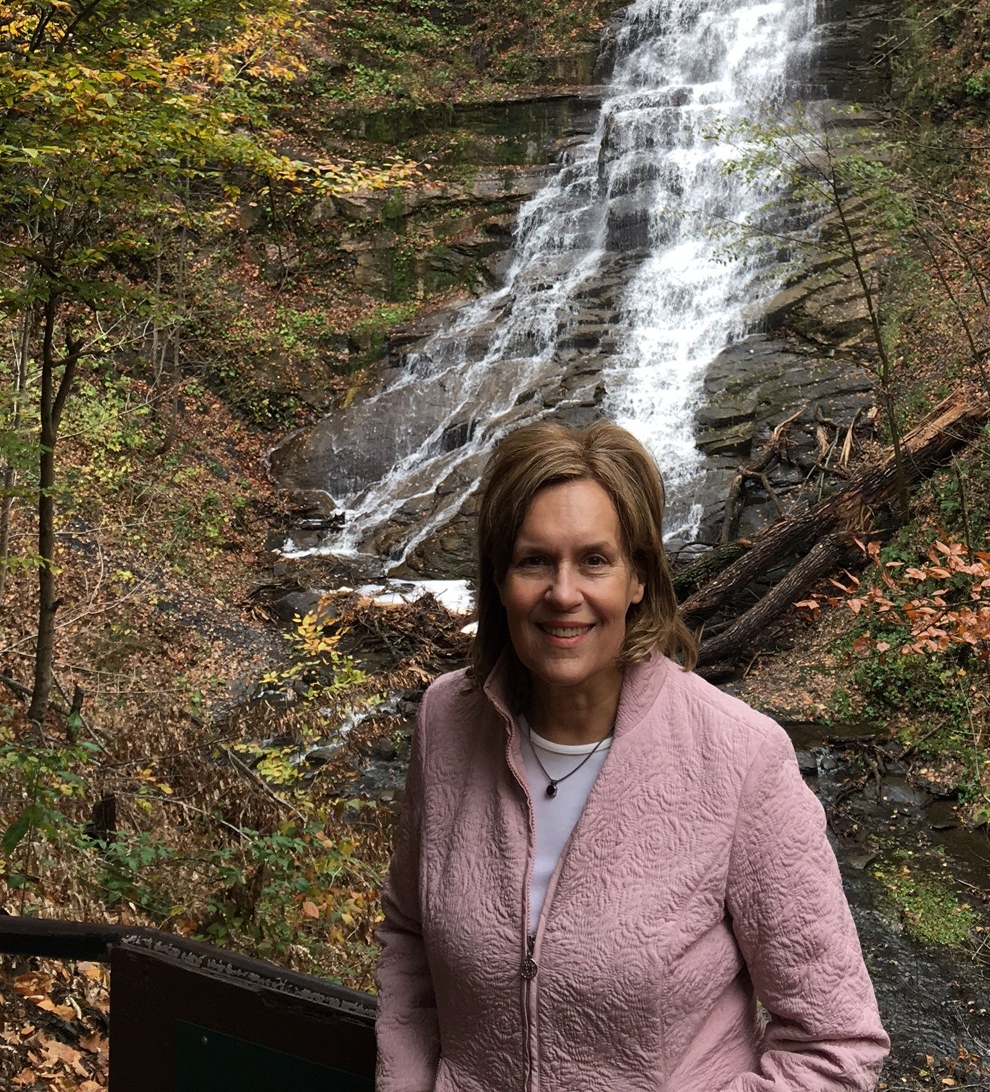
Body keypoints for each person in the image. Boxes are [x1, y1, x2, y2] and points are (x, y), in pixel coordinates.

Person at [376, 419, 889, 1092]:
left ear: (639, 578)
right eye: (534, 560)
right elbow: (408, 937)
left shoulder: (741, 759)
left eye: (595, 560)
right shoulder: (446, 721)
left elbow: (836, 1044)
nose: (564, 593)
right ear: (499, 581)